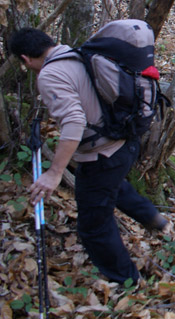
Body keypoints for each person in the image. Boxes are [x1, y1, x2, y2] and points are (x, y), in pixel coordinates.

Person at [10, 28, 167, 285]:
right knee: (110, 186)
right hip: (124, 144)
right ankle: (153, 218)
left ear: (25, 59)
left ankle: (126, 280)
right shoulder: (75, 54)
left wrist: (54, 173)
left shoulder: (50, 74)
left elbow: (73, 123)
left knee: (93, 225)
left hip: (101, 155)